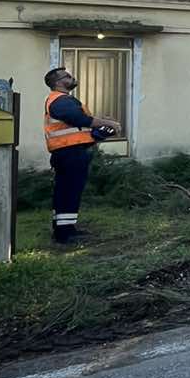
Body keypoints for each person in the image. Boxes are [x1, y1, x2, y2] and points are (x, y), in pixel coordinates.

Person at [43, 67, 120, 246]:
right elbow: (79, 119)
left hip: (69, 152)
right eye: (68, 76)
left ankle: (65, 229)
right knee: (70, 192)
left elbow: (79, 128)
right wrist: (108, 123)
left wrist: (98, 132)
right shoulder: (60, 100)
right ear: (58, 82)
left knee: (66, 192)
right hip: (69, 153)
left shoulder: (63, 100)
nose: (72, 78)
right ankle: (65, 235)